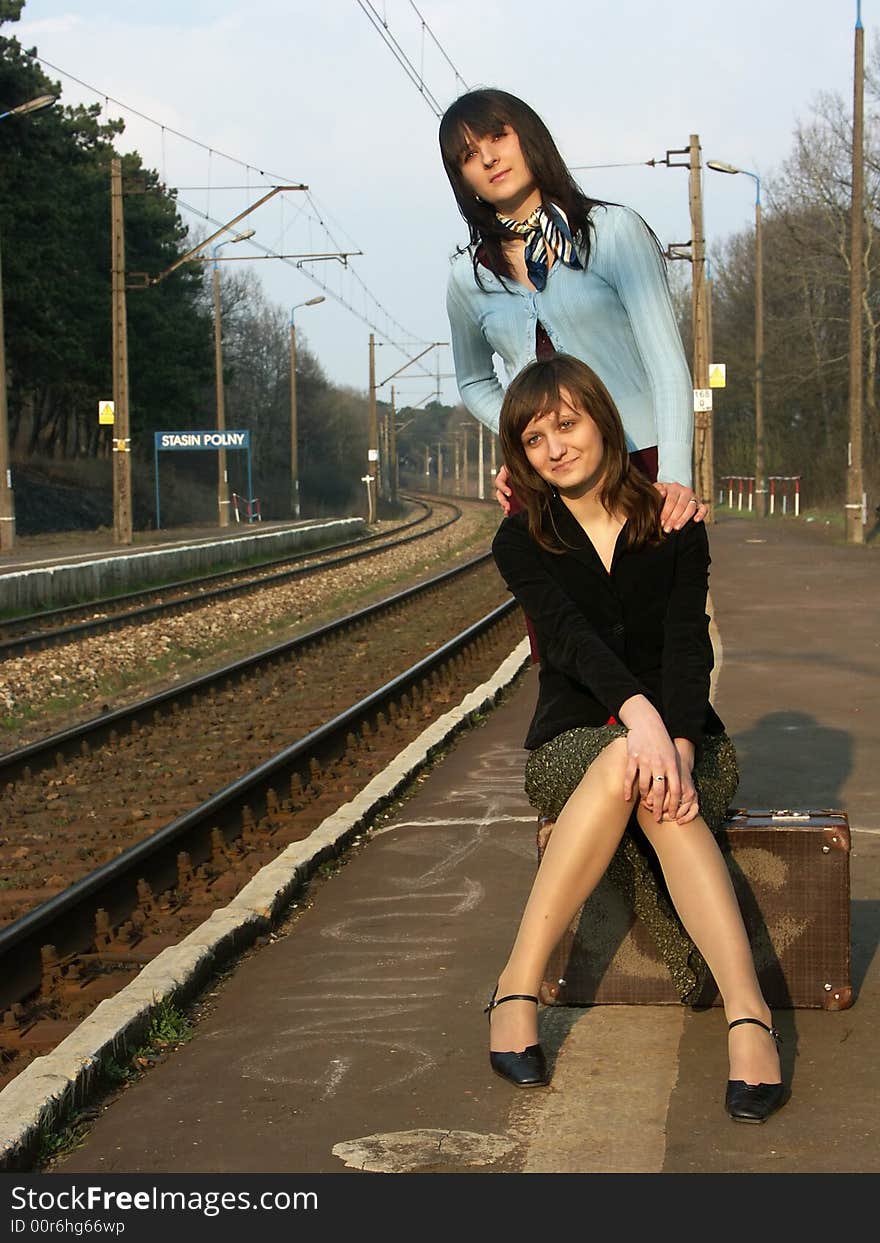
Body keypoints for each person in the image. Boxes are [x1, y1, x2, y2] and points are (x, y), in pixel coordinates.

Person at [488, 353, 787, 1125]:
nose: (555, 447)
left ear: (600, 419)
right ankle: (747, 1015)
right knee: (628, 760)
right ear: (519, 458)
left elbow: (690, 647)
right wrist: (640, 721)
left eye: (567, 423)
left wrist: (678, 744)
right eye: (533, 439)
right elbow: (570, 641)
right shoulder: (520, 540)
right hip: (571, 743)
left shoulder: (675, 522)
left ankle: (518, 988)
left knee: (658, 788)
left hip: (689, 740)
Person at [439, 87, 704, 529]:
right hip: (545, 480)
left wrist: (676, 475)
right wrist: (525, 436)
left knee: (655, 596)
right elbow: (473, 380)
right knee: (554, 599)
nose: (488, 159)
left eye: (498, 137)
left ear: (529, 138)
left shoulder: (613, 234)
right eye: (469, 155)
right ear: (462, 179)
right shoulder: (469, 279)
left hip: (640, 462)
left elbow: (666, 362)